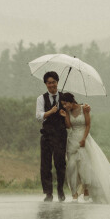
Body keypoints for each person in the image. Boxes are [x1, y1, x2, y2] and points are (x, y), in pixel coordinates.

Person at [59, 92, 110, 204]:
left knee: (84, 165)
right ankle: (74, 193)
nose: (65, 106)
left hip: (84, 139)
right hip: (72, 140)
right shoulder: (67, 111)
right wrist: (64, 116)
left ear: (71, 101)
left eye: (66, 103)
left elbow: (88, 125)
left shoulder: (84, 108)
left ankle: (86, 187)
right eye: (63, 104)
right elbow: (69, 126)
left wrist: (84, 138)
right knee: (71, 166)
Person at [35, 71, 68, 202]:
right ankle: (48, 192)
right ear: (45, 84)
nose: (52, 85)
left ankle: (60, 190)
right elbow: (38, 116)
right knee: (45, 165)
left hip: (60, 135)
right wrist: (51, 112)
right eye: (49, 83)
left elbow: (74, 108)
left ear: (57, 82)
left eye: (54, 82)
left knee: (60, 164)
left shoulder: (64, 97)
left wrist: (64, 113)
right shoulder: (41, 98)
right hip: (47, 135)